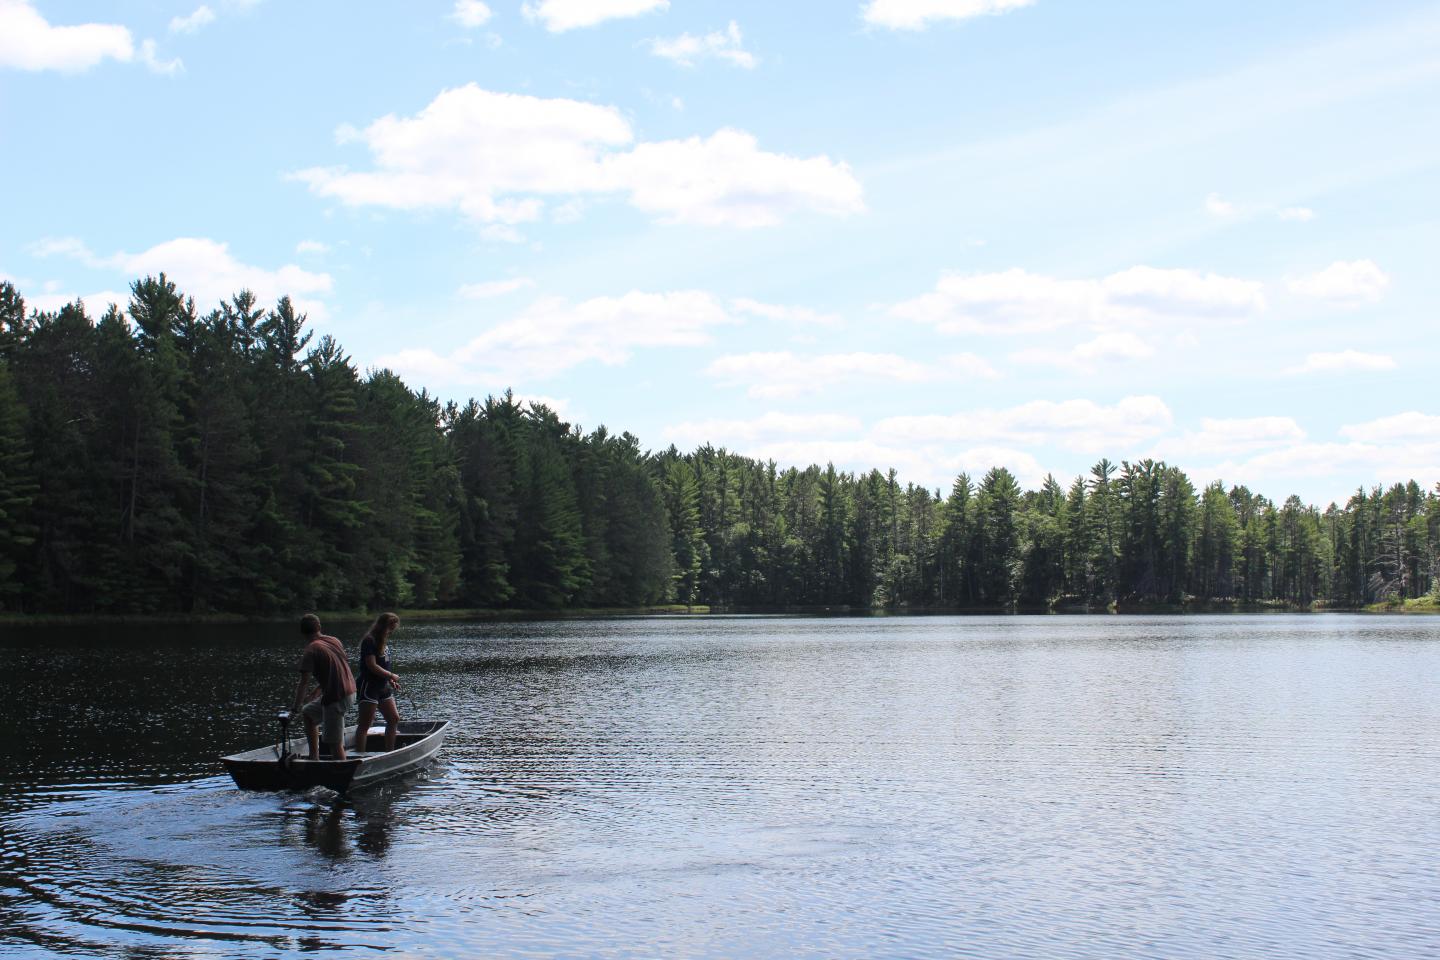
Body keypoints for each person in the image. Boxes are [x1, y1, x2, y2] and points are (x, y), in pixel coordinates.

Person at [291, 614, 356, 761]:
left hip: (337, 697)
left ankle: (342, 773)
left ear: (302, 632)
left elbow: (303, 683)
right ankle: (314, 757)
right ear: (319, 627)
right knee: (308, 713)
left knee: (334, 743)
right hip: (350, 691)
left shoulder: (311, 650)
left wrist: (294, 709)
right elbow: (336, 669)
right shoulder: (334, 640)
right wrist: (318, 689)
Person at [352, 612, 402, 754]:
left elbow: (384, 665)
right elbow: (371, 665)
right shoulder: (370, 640)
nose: (391, 630)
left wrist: (390, 680)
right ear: (382, 625)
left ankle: (390, 753)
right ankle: (359, 756)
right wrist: (391, 675)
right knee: (365, 725)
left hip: (383, 686)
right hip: (369, 686)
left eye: (393, 628)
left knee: (393, 719)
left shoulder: (383, 641)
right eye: (389, 627)